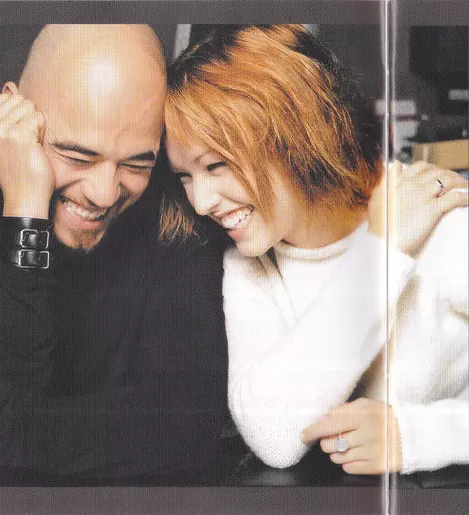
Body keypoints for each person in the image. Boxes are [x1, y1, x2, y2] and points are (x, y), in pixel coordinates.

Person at [0, 25, 229, 486]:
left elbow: (187, 426)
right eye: (77, 157)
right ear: (12, 115)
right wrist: (25, 208)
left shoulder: (178, 214)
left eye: (136, 163)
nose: (104, 193)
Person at [162, 25, 469, 475]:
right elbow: (273, 435)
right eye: (185, 177)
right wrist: (381, 253)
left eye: (216, 165)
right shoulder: (251, 262)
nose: (201, 203)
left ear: (295, 134)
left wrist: (420, 435)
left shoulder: (437, 218)